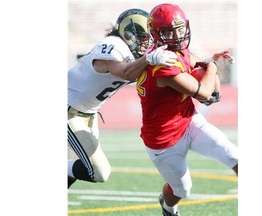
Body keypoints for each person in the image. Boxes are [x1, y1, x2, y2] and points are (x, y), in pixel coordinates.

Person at [136, 3, 238, 216]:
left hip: (189, 121)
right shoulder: (162, 63)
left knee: (235, 156)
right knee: (182, 190)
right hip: (164, 140)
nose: (176, 35)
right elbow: (203, 94)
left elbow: (201, 73)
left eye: (179, 28)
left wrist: (209, 63)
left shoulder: (174, 50)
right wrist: (211, 66)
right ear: (156, 33)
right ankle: (167, 205)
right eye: (168, 31)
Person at [67, 8, 179, 188]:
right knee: (97, 171)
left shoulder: (136, 53)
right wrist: (149, 59)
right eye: (143, 37)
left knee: (75, 168)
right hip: (69, 112)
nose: (146, 43)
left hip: (88, 114)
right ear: (128, 34)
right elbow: (125, 72)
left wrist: (205, 64)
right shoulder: (113, 45)